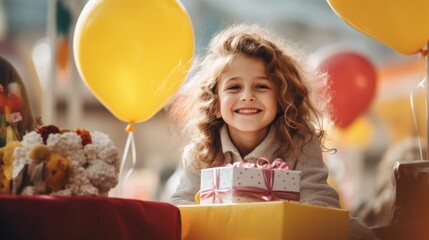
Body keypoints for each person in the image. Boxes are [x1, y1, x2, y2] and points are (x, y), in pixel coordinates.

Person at [169, 24, 377, 240]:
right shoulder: (201, 152)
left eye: (261, 86)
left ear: (280, 99)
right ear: (215, 104)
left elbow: (320, 202)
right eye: (234, 87)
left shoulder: (299, 142)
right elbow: (179, 207)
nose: (247, 96)